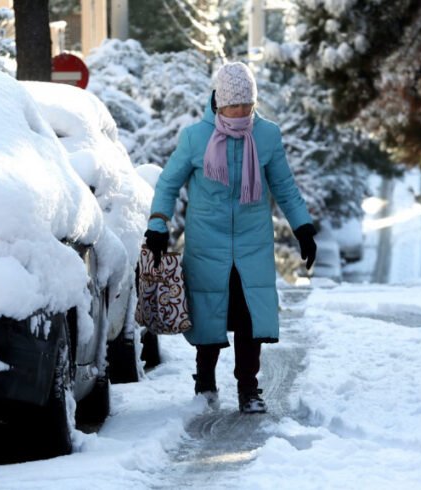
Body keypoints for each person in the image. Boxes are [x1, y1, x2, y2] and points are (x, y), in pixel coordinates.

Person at [144, 62, 317, 414]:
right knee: (209, 313)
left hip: (253, 243)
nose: (241, 113)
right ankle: (205, 381)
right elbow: (168, 183)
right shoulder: (195, 137)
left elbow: (283, 186)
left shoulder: (266, 135)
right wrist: (158, 225)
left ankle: (248, 389)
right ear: (219, 103)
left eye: (247, 106)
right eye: (234, 106)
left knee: (249, 318)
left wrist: (302, 228)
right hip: (208, 243)